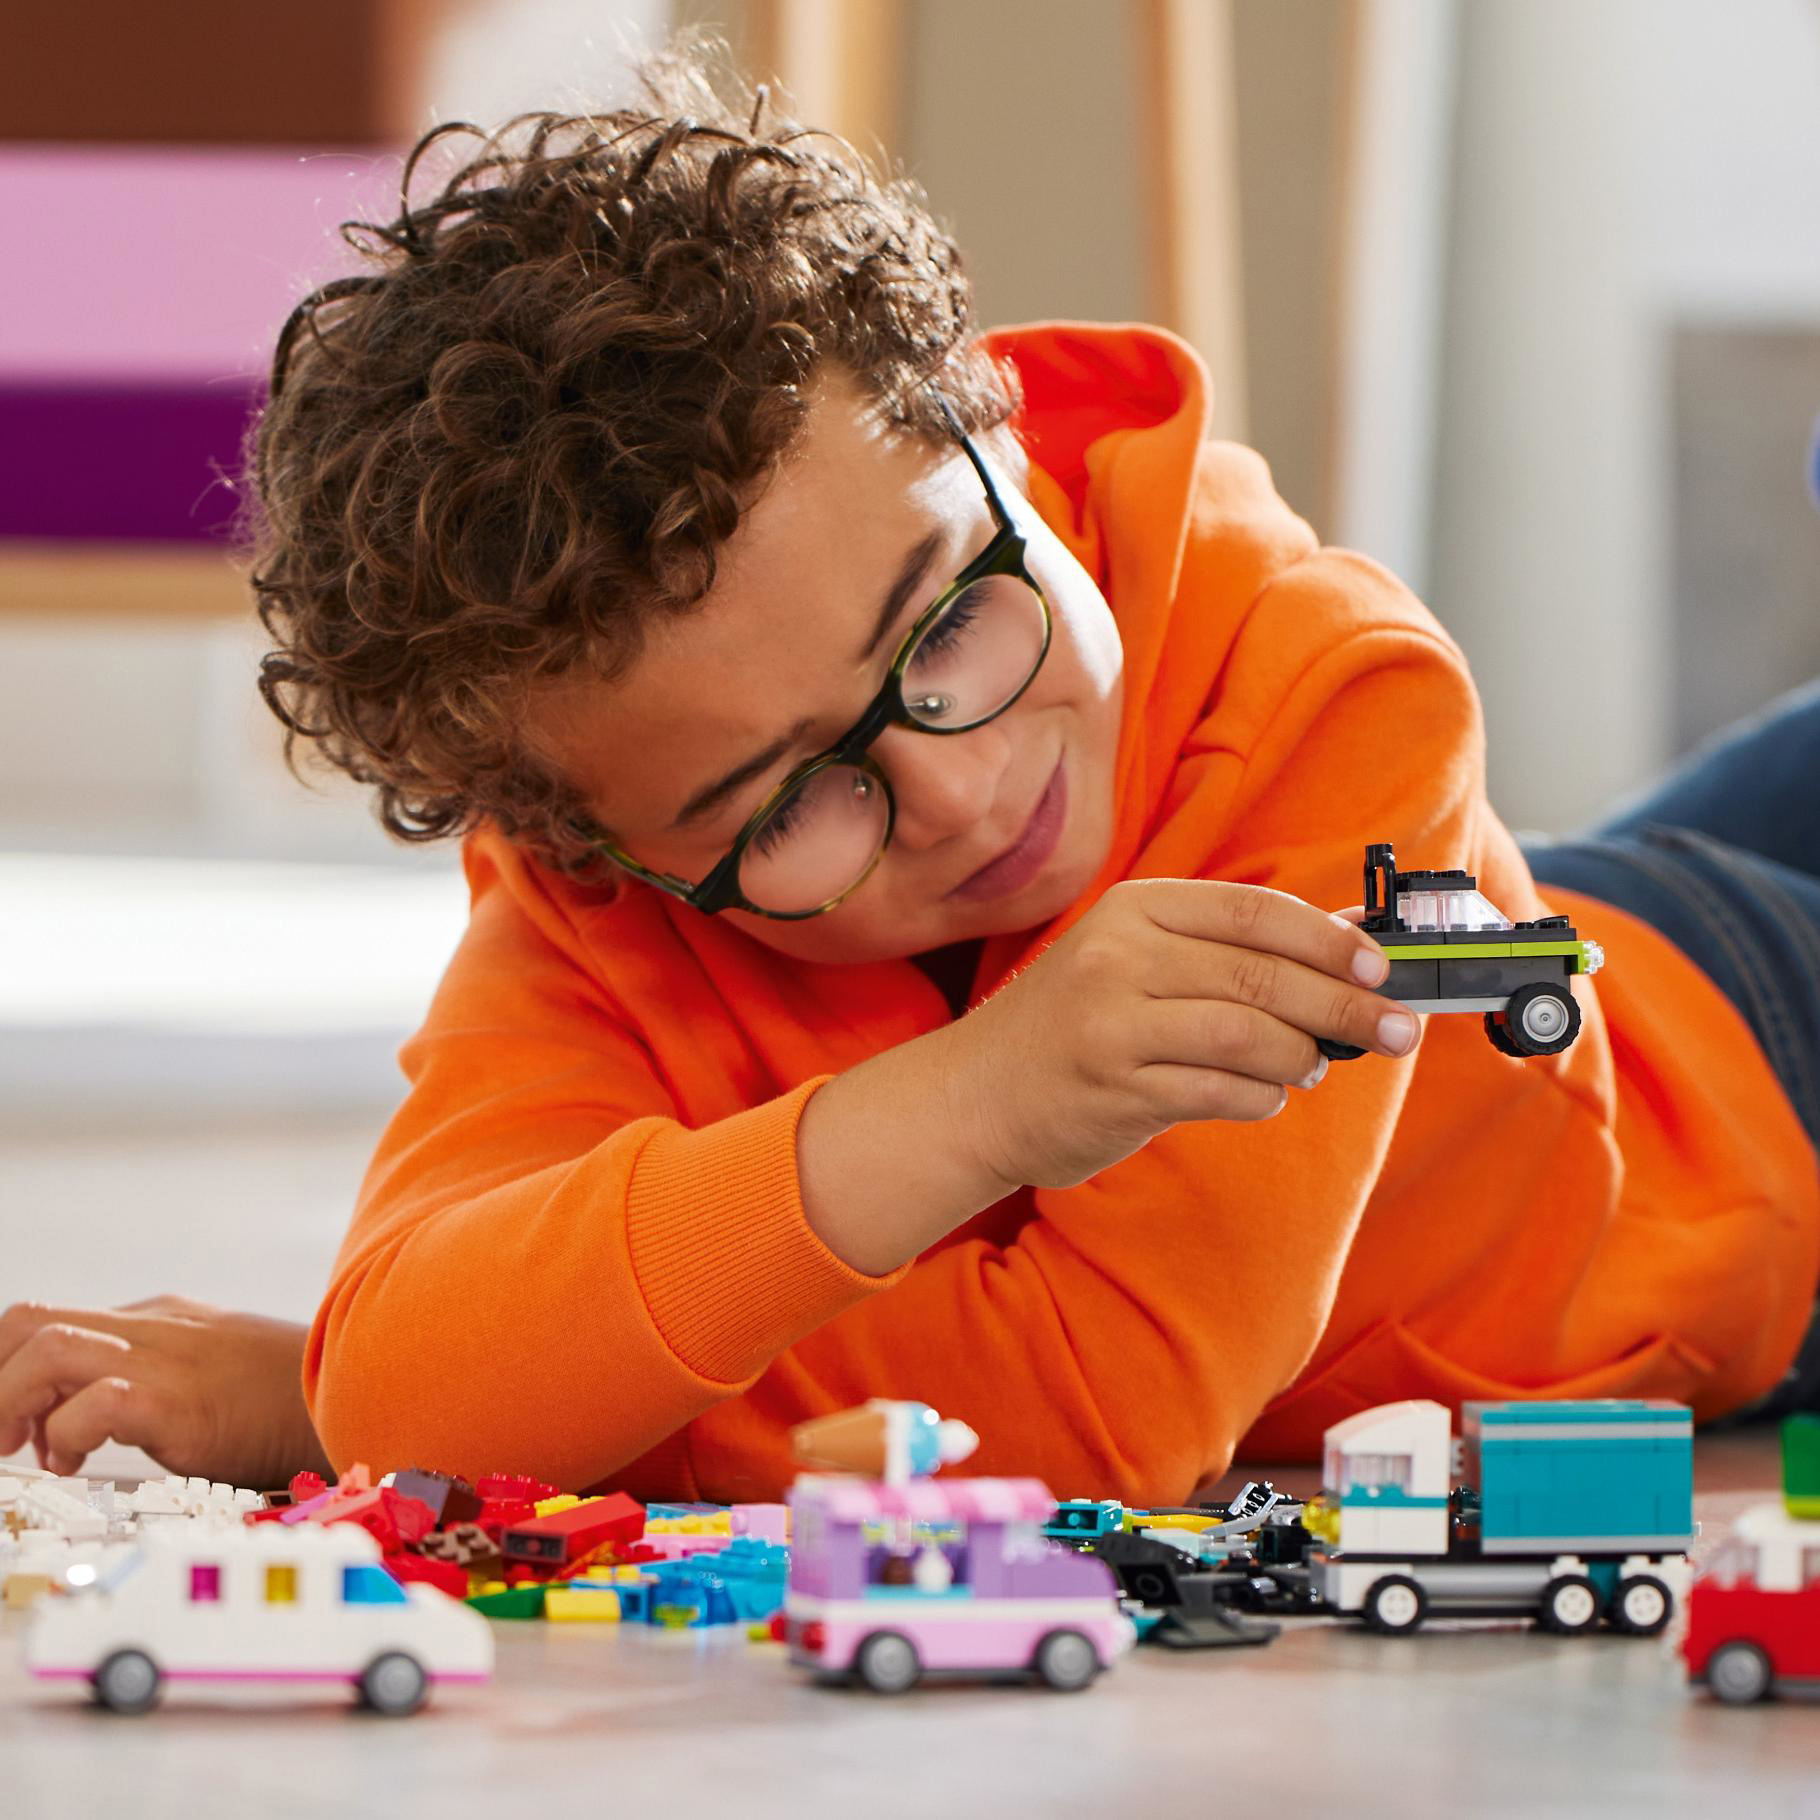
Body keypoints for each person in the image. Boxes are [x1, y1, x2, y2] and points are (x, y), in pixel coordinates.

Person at [2, 47, 1816, 1500]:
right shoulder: (601, 901)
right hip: (1584, 960)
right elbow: (421, 1368)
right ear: (602, 852)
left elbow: (1100, 1415)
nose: (959, 794)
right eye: (789, 804)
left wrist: (390, 1404)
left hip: (1751, 1070)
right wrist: (969, 1107)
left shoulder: (1327, 683)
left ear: (994, 415)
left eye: (947, 622)